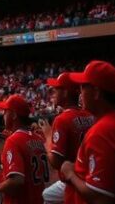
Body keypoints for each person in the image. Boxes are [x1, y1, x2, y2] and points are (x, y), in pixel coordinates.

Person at [60, 60, 115, 204]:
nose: (80, 91)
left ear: (97, 93)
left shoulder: (102, 132)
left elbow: (100, 197)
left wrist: (70, 173)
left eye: (84, 86)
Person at [0, 94, 48, 204]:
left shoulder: (13, 141)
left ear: (13, 115)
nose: (3, 115)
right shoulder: (38, 139)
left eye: (5, 111)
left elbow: (17, 181)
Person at [41, 73, 94, 204]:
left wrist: (47, 136)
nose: (53, 92)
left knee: (45, 197)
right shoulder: (90, 115)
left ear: (65, 93)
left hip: (74, 179)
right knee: (47, 195)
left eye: (56, 89)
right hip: (90, 175)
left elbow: (56, 162)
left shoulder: (62, 119)